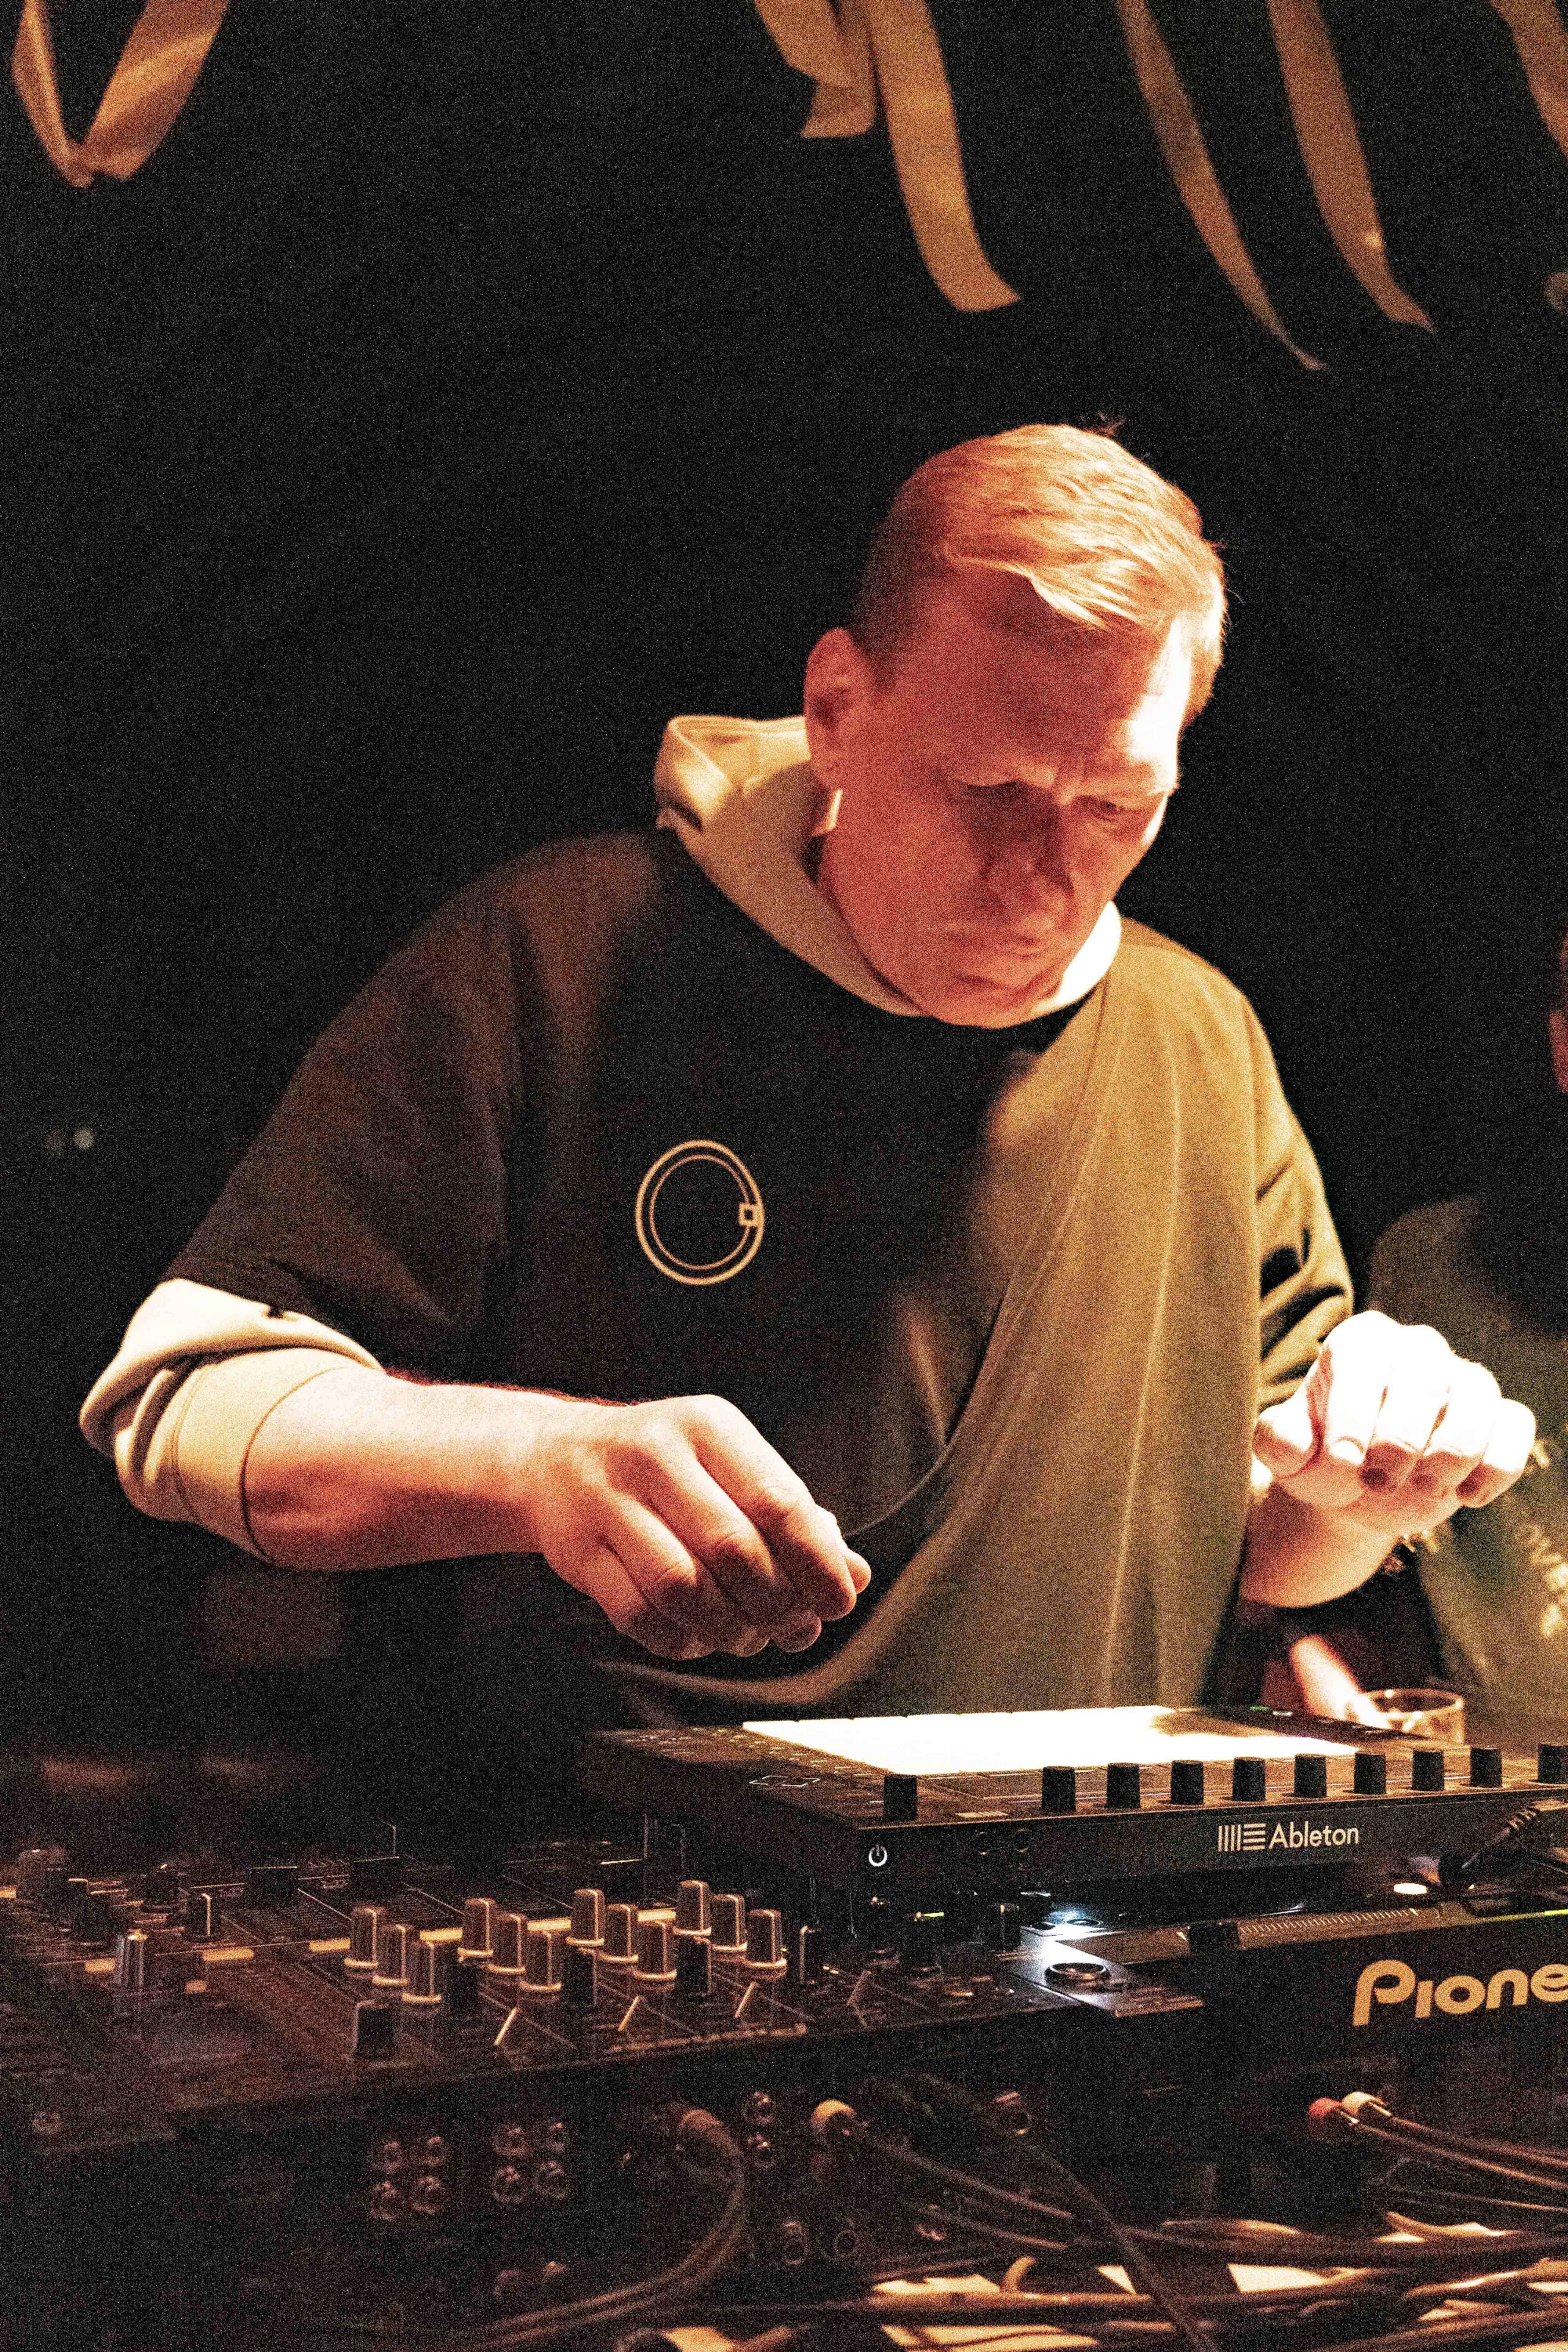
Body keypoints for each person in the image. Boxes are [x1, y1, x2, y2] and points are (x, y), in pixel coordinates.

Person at [81, 426, 1535, 1759]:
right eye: (987, 790)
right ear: (838, 707)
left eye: (1114, 807)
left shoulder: (1200, 1036)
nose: (1043, 876)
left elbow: (1266, 1547)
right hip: (615, 1902)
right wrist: (537, 1462)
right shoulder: (561, 954)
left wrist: (1358, 1498)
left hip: (1090, 1908)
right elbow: (184, 1407)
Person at [1361, 927, 1568, 1724]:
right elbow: (1357, 1561)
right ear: (1560, 1044)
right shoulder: (1432, 1269)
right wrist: (1318, 1648)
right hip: (1493, 1784)